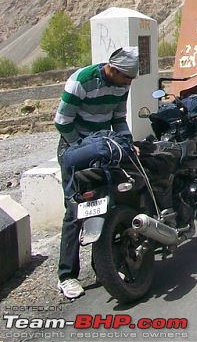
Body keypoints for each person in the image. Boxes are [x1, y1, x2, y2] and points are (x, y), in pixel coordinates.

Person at [53, 46, 139, 299]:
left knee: (110, 202)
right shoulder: (81, 81)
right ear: (112, 69)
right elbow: (62, 122)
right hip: (74, 146)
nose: (128, 84)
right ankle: (67, 276)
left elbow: (119, 118)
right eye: (127, 78)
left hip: (105, 147)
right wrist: (82, 149)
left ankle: (106, 267)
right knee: (75, 209)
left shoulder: (122, 83)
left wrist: (127, 143)